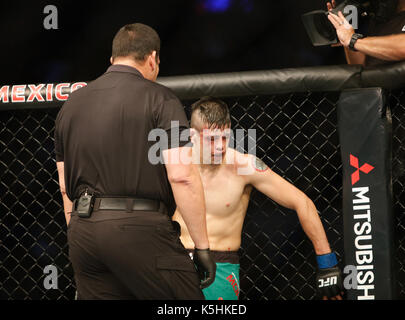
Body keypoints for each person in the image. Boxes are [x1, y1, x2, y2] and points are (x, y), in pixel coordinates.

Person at [54, 23, 215, 300]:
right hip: (140, 230)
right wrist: (202, 248)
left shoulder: (71, 105)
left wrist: (80, 233)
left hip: (83, 233)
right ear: (152, 58)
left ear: (113, 59)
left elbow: (65, 186)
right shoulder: (161, 98)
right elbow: (182, 176)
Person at [172, 97, 344, 300]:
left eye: (225, 138)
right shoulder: (175, 165)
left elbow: (302, 202)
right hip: (177, 260)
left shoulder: (244, 167)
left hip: (220, 265)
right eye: (212, 139)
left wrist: (327, 263)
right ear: (193, 136)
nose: (220, 147)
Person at [327, 0, 405, 66]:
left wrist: (353, 40)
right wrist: (344, 32)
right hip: (373, 82)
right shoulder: (379, 18)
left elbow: (402, 47)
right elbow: (360, 66)